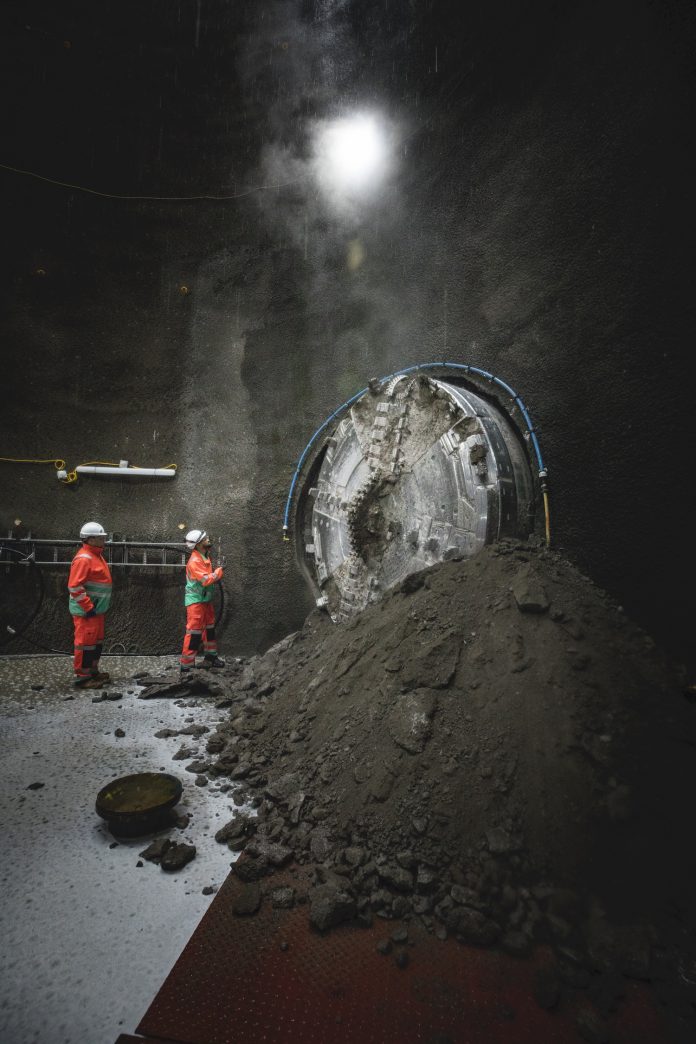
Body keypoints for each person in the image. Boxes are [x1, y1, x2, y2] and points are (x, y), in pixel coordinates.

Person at [68, 521, 113, 688]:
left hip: (95, 610)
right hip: (87, 611)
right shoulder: (84, 559)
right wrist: (88, 607)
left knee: (95, 643)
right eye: (101, 538)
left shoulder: (95, 555)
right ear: (90, 539)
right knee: (85, 644)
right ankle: (83, 677)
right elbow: (74, 586)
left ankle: (93, 671)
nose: (104, 540)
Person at [180, 529, 225, 674]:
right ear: (198, 544)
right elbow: (206, 580)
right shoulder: (195, 561)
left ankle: (211, 656)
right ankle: (187, 665)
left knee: (209, 628)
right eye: (205, 539)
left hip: (204, 600)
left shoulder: (203, 556)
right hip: (196, 602)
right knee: (194, 632)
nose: (208, 539)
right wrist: (219, 571)